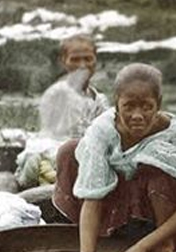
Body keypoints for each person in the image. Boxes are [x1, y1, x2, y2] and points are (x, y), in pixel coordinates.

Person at [53, 63, 176, 252]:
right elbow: (92, 195)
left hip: (166, 214)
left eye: (146, 106)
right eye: (129, 106)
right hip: (117, 206)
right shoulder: (103, 131)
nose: (137, 115)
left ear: (159, 104)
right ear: (116, 105)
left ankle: (165, 246)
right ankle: (102, 235)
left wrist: (144, 246)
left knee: (157, 164)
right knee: (70, 151)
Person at [16, 34, 110, 189]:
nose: (82, 65)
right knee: (42, 165)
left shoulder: (99, 99)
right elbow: (51, 137)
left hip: (86, 153)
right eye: (75, 59)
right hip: (57, 151)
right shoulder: (57, 94)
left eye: (88, 59)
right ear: (63, 62)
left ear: (96, 61)